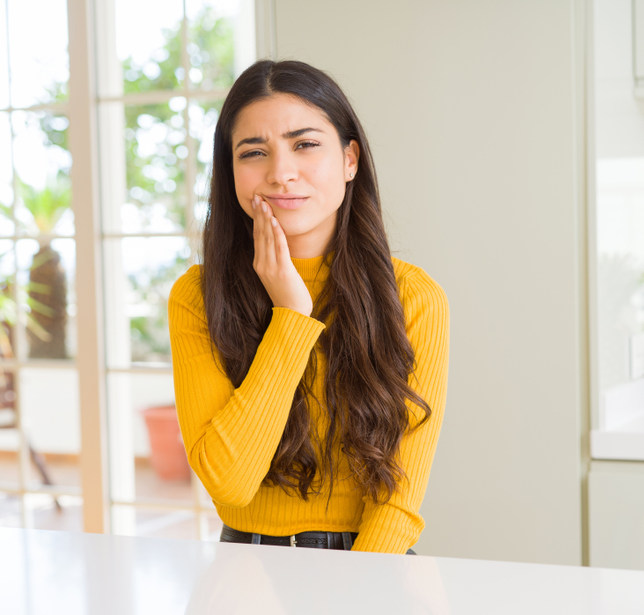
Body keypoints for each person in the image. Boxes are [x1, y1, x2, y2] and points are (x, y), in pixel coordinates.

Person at [168, 60, 449, 554]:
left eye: (305, 144)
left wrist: (354, 598)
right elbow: (229, 484)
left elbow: (398, 502)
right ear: (230, 172)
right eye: (254, 152)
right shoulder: (197, 296)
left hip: (374, 568)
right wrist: (292, 317)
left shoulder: (413, 297)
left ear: (350, 159)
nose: (281, 174)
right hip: (247, 570)